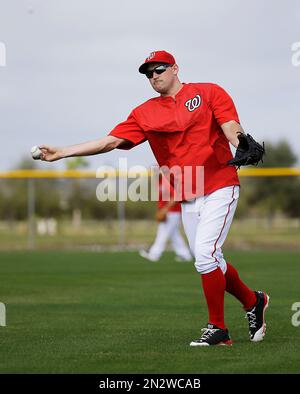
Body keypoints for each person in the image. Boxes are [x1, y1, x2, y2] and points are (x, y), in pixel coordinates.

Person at [38, 50, 269, 346]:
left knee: (205, 256)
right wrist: (62, 152)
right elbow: (109, 142)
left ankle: (218, 329)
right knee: (212, 259)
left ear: (175, 68)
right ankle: (253, 302)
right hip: (187, 194)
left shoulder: (209, 92)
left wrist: (240, 141)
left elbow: (230, 126)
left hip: (219, 184)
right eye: (148, 73)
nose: (154, 76)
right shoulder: (145, 112)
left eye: (159, 69)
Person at [139, 173, 192, 262]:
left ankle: (154, 254)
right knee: (174, 234)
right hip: (169, 211)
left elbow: (175, 196)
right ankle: (185, 254)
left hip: (172, 212)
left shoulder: (166, 181)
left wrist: (165, 209)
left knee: (163, 233)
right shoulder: (159, 182)